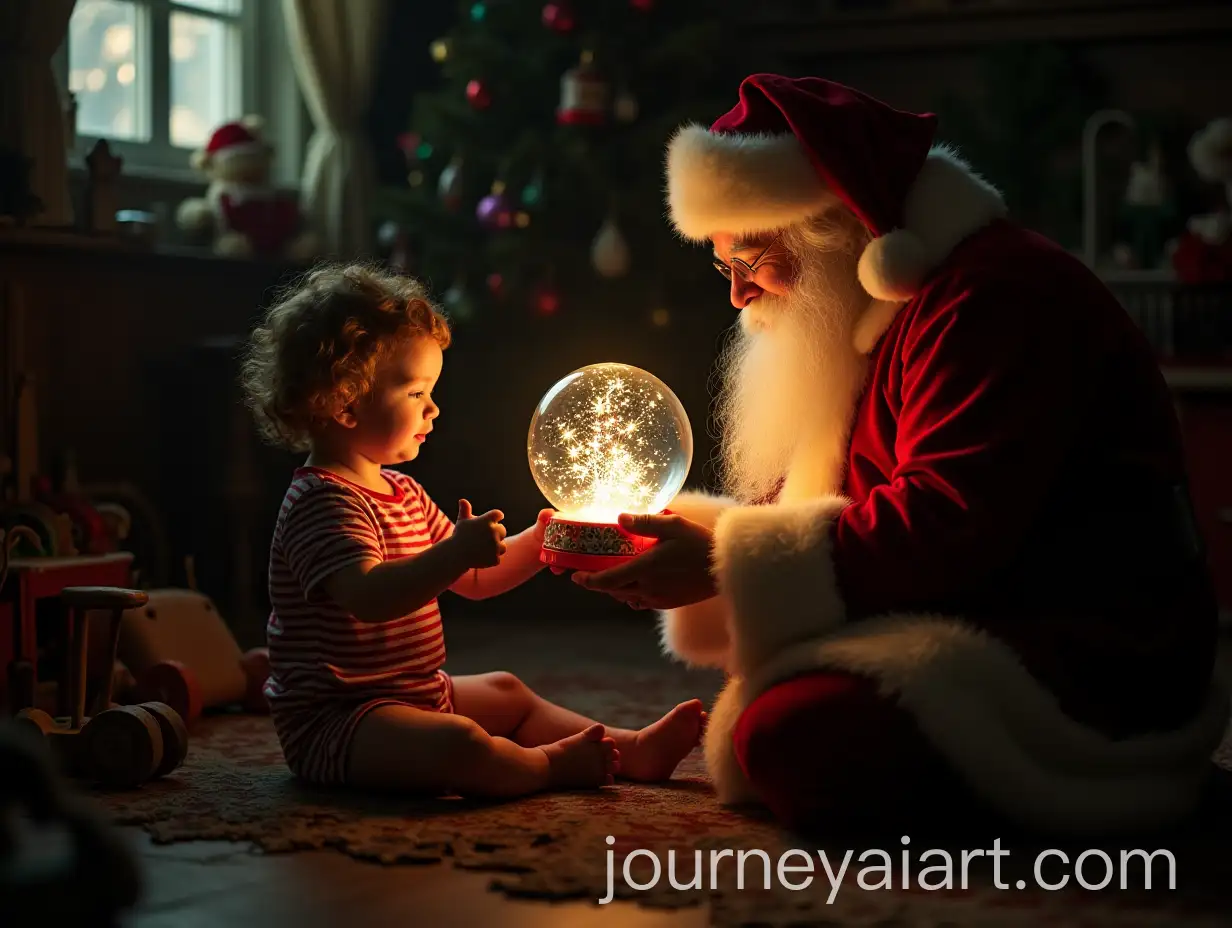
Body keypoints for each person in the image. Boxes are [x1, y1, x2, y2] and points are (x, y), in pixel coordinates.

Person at [570, 74, 1229, 836]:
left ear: (833, 228)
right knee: (780, 726)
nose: (739, 297)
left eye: (750, 261)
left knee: (795, 739)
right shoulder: (869, 308)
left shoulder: (990, 298)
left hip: (1086, 641)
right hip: (972, 603)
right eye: (725, 269)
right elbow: (829, 497)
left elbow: (949, 524)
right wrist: (697, 543)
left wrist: (724, 561)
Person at [239, 263, 705, 798]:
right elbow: (368, 596)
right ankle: (550, 766)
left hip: (414, 695)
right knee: (458, 744)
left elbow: (479, 579)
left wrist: (544, 536)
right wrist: (454, 554)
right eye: (416, 393)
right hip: (338, 723)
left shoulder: (403, 492)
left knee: (508, 693)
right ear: (345, 403)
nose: (433, 408)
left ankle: (633, 748)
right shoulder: (320, 501)